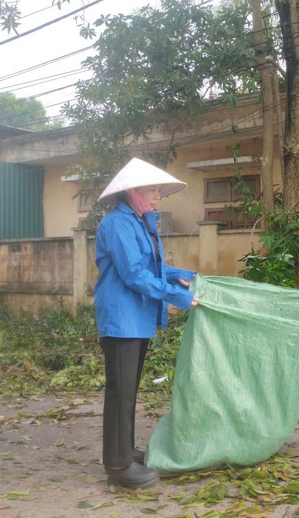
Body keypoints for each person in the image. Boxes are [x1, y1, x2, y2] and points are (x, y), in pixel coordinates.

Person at [94, 158, 199, 489]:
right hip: (121, 319)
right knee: (120, 393)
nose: (157, 196)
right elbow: (134, 275)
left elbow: (150, 268)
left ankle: (124, 451)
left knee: (128, 392)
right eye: (153, 189)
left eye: (158, 191)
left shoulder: (139, 223)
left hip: (135, 318)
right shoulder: (118, 224)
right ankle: (118, 466)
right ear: (133, 191)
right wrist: (174, 296)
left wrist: (183, 277)